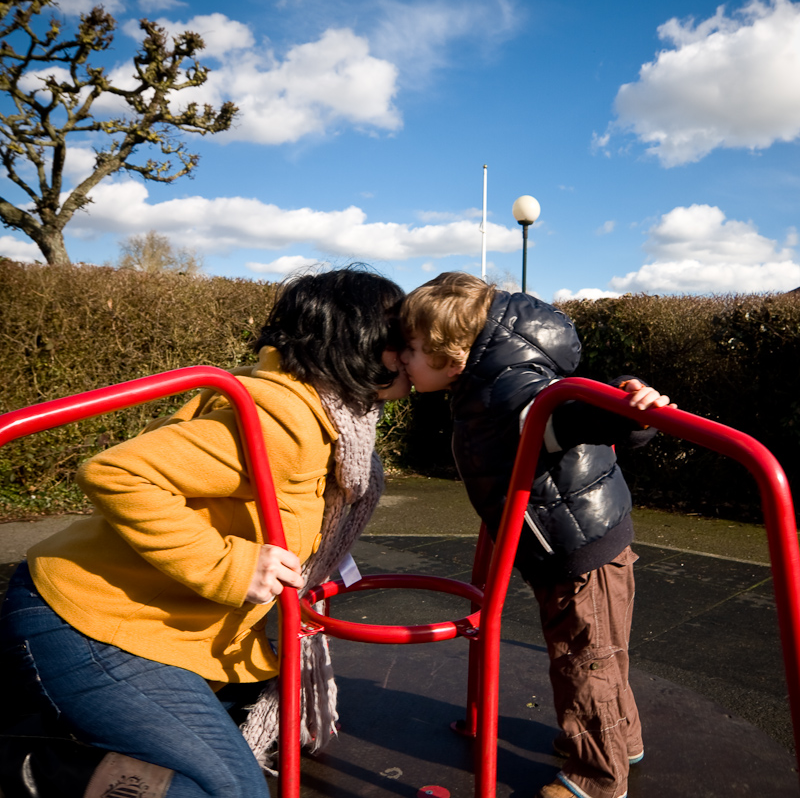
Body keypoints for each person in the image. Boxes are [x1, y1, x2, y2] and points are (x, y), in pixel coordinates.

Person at [0, 267, 410, 798]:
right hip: (88, 622)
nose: (408, 347)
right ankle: (32, 764)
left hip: (152, 627)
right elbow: (116, 473)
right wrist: (230, 566)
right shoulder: (286, 421)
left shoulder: (331, 424)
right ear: (355, 341)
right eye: (396, 333)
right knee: (230, 792)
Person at [399, 272, 674, 798]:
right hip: (580, 533)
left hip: (573, 546)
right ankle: (623, 741)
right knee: (603, 649)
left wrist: (628, 410)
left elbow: (564, 413)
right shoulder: (487, 380)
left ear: (451, 353)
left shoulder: (506, 390)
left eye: (412, 349)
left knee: (582, 658)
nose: (404, 361)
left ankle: (596, 776)